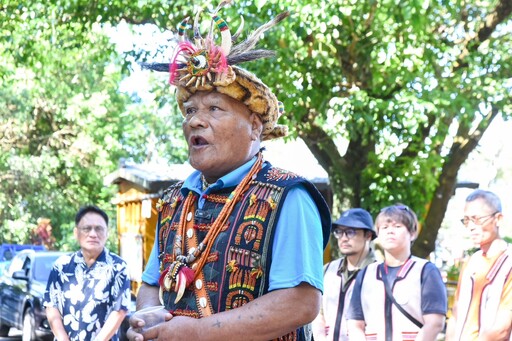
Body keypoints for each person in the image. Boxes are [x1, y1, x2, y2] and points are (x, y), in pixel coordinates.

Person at [127, 4, 331, 341]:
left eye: (214, 108)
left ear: (253, 126)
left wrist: (198, 333)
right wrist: (149, 317)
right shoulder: (175, 200)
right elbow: (151, 284)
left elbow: (300, 302)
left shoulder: (288, 195)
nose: (194, 119)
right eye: (190, 109)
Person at [347, 204, 447, 341]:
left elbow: (435, 323)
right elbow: (354, 323)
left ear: (412, 233)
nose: (390, 231)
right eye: (384, 227)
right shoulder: (366, 274)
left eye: (397, 226)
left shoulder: (426, 271)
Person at [43, 205, 131, 341]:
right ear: (76, 232)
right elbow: (51, 306)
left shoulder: (118, 267)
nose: (93, 234)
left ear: (107, 233)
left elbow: (119, 311)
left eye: (99, 229)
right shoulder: (61, 266)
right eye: (87, 228)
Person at [445, 189, 512, 340]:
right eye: (467, 220)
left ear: (498, 219)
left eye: (477, 219)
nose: (471, 226)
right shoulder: (471, 261)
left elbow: (502, 328)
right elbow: (455, 315)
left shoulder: (509, 263)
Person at [312, 208, 377, 341]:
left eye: (350, 232)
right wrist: (320, 337)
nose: (343, 238)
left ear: (368, 235)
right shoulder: (328, 270)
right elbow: (318, 312)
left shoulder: (379, 273)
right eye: (339, 232)